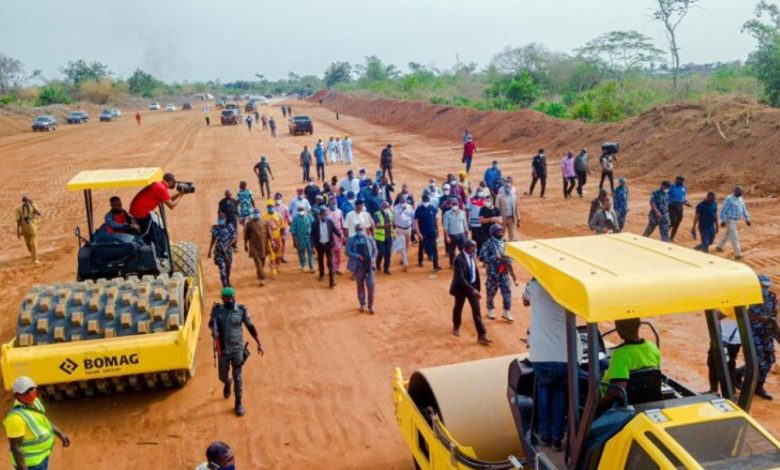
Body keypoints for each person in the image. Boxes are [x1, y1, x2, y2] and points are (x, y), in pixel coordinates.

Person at [524, 278, 567, 451]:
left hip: (541, 355)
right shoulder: (567, 284)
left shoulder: (534, 285)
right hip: (564, 354)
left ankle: (544, 436)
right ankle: (557, 438)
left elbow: (525, 301)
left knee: (543, 391)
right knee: (560, 394)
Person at [209, 287, 264, 416]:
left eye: (230, 298)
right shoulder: (218, 311)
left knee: (238, 378)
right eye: (226, 298)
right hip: (223, 350)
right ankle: (227, 383)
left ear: (234, 297)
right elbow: (211, 324)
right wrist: (213, 330)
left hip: (237, 350)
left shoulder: (241, 310)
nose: (229, 300)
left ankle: (238, 403)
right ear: (222, 299)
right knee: (222, 376)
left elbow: (250, 327)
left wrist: (259, 343)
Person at [4, 376, 70, 470]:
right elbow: (16, 448)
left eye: (31, 389)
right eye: (25, 392)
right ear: (17, 395)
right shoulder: (15, 418)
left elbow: (43, 420)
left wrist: (60, 434)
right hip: (30, 465)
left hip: (42, 457)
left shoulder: (36, 402)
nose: (30, 393)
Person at [598, 318, 661, 415]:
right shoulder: (653, 348)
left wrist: (597, 409)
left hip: (618, 405)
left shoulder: (620, 355)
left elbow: (617, 392)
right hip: (646, 399)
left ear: (618, 329)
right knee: (604, 364)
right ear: (639, 324)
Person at [129, 172, 186, 258]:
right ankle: (162, 254)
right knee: (159, 233)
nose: (174, 185)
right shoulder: (161, 188)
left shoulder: (159, 185)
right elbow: (171, 205)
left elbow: (167, 199)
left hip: (137, 211)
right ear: (170, 181)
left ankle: (157, 252)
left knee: (152, 230)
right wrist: (181, 196)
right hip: (141, 213)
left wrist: (179, 194)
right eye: (174, 182)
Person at [450, 240, 492, 345]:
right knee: (458, 307)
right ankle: (456, 326)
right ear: (468, 248)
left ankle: (482, 335)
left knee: (477, 311)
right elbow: (460, 278)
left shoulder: (471, 256)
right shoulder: (458, 259)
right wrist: (473, 290)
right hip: (461, 288)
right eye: (474, 247)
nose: (475, 249)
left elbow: (474, 273)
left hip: (472, 287)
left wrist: (476, 288)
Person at [745, 274, 778, 399]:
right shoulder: (749, 297)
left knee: (769, 359)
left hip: (766, 333)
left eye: (767, 286)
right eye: (762, 286)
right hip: (753, 332)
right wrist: (760, 318)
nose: (765, 289)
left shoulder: (771, 297)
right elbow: (745, 315)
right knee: (757, 361)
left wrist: (774, 330)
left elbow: (774, 315)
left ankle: (759, 387)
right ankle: (746, 383)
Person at [479, 224, 515, 322]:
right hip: (493, 273)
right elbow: (482, 257)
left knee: (507, 291)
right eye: (498, 231)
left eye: (501, 231)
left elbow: (512, 256)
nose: (500, 233)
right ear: (493, 233)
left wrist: (509, 259)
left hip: (504, 272)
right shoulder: (488, 243)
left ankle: (506, 311)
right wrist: (494, 257)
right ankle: (490, 309)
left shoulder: (505, 243)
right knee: (491, 292)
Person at [706, 312, 741, 395]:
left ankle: (727, 395)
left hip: (725, 338)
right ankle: (728, 394)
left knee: (719, 366)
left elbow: (716, 316)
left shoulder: (731, 302)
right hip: (733, 339)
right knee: (728, 366)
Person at [346, 224, 377, 313]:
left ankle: (371, 306)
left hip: (369, 266)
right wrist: (357, 256)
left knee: (371, 286)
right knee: (360, 285)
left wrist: (372, 260)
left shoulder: (369, 238)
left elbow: (375, 250)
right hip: (359, 267)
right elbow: (347, 252)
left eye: (361, 229)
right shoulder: (351, 239)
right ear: (355, 230)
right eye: (358, 229)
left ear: (363, 229)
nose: (360, 231)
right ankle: (362, 304)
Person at [716, 186, 751, 260]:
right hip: (730, 220)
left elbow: (744, 209)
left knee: (728, 234)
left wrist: (747, 218)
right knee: (734, 237)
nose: (741, 193)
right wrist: (723, 220)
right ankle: (737, 254)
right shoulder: (729, 199)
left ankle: (720, 246)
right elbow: (723, 210)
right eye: (740, 192)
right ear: (735, 191)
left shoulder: (740, 199)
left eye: (742, 192)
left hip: (736, 220)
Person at [312, 207, 342, 287]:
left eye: (326, 215)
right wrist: (312, 246)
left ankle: (332, 281)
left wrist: (341, 236)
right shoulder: (315, 224)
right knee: (320, 260)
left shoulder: (330, 222)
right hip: (320, 245)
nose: (325, 216)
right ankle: (321, 274)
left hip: (328, 245)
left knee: (330, 263)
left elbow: (335, 231)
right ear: (320, 215)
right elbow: (312, 235)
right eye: (323, 215)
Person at [208, 212, 237, 288]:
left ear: (225, 219)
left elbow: (234, 238)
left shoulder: (230, 227)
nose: (220, 220)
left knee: (228, 268)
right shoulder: (215, 228)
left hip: (228, 252)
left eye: (222, 219)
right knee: (222, 269)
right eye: (219, 218)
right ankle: (225, 286)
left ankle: (227, 280)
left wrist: (227, 246)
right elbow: (213, 239)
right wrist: (209, 251)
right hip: (218, 252)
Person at [244, 209, 271, 286]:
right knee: (258, 263)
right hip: (254, 246)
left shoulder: (264, 222)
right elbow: (246, 235)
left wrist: (272, 242)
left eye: (258, 213)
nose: (256, 215)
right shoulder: (249, 224)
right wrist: (245, 244)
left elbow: (269, 233)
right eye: (255, 214)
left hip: (263, 245)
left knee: (262, 262)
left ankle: (259, 273)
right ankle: (262, 279)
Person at [415, 194, 440, 272]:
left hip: (432, 232)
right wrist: (418, 233)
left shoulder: (433, 208)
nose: (426, 202)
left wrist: (437, 230)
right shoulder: (419, 210)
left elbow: (436, 220)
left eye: (427, 201)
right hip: (423, 233)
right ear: (422, 201)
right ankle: (420, 261)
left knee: (434, 249)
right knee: (421, 247)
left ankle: (435, 266)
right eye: (425, 201)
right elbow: (416, 222)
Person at [442, 200, 469, 267]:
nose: (454, 206)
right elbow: (445, 226)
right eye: (453, 204)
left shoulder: (462, 213)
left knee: (463, 250)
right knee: (451, 252)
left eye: (456, 204)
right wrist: (447, 236)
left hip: (461, 234)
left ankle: (463, 263)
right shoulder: (447, 214)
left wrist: (466, 234)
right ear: (451, 205)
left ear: (458, 205)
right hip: (452, 235)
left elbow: (465, 224)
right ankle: (452, 264)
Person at [261, 200, 283, 278]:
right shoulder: (263, 217)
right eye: (269, 207)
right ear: (267, 207)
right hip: (269, 240)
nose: (270, 208)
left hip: (278, 239)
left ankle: (277, 267)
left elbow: (282, 227)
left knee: (278, 255)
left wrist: (282, 237)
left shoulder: (279, 215)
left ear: (274, 207)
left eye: (272, 206)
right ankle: (273, 271)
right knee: (272, 256)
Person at [290, 206, 314, 273]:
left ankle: (311, 267)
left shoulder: (309, 217)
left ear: (305, 210)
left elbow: (313, 225)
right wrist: (295, 240)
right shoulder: (295, 218)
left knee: (310, 253)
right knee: (301, 253)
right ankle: (303, 265)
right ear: (298, 211)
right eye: (300, 210)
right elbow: (293, 231)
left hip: (309, 238)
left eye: (302, 210)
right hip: (300, 239)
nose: (301, 211)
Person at [393, 199, 415, 272]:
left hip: (408, 229)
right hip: (399, 229)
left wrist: (414, 227)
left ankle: (403, 258)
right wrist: (401, 210)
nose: (403, 203)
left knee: (407, 245)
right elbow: (396, 217)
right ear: (399, 202)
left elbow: (413, 217)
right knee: (403, 246)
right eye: (401, 202)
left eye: (404, 202)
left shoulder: (410, 207)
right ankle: (405, 263)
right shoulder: (396, 208)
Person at [668, 175, 691, 241]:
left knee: (678, 222)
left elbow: (684, 197)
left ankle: (672, 237)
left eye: (682, 180)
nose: (681, 182)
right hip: (671, 206)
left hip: (680, 206)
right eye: (679, 180)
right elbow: (666, 194)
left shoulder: (684, 187)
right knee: (672, 222)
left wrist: (686, 203)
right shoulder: (671, 186)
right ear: (676, 180)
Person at [373, 201, 394, 275]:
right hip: (380, 238)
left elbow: (393, 224)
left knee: (388, 253)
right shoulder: (377, 214)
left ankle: (386, 269)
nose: (386, 208)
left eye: (387, 207)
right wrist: (385, 226)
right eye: (384, 207)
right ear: (381, 207)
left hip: (389, 237)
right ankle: (378, 262)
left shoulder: (390, 213)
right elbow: (377, 225)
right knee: (381, 251)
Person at [274, 193, 291, 263]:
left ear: (281, 199)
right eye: (277, 199)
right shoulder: (272, 208)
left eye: (279, 199)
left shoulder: (285, 208)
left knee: (283, 242)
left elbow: (288, 218)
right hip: (275, 228)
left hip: (283, 227)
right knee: (276, 243)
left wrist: (291, 223)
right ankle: (276, 256)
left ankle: (282, 256)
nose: (278, 200)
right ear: (274, 199)